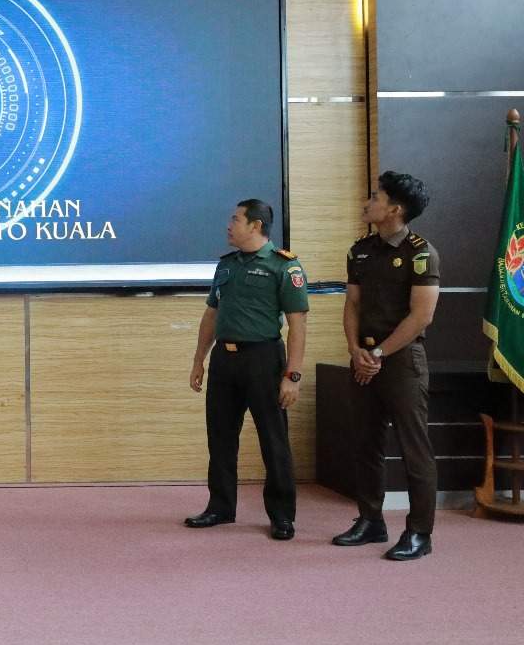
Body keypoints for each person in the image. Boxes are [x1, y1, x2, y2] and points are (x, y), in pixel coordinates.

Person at [333, 172, 440, 561]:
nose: (368, 201)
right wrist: (355, 350)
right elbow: (353, 305)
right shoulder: (359, 250)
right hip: (364, 358)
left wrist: (378, 354)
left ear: (394, 209)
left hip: (401, 362)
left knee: (414, 449)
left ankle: (419, 532)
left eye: (376, 197)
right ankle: (370, 520)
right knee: (365, 442)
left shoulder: (420, 251)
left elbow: (421, 316)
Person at [186, 199, 308, 540]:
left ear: (255, 225)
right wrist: (199, 359)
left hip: (264, 360)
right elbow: (211, 315)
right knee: (220, 437)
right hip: (225, 360)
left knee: (274, 440)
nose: (229, 224)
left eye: (235, 219)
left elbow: (298, 325)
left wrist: (292, 376)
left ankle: (282, 516)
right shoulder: (226, 265)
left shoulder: (284, 266)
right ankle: (220, 507)